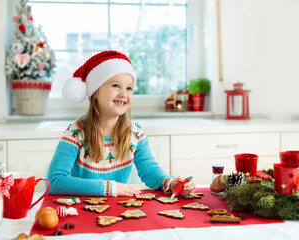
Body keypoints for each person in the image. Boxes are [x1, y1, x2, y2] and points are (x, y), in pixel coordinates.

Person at [46, 50, 195, 197]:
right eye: (116, 85)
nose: (124, 93)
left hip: (117, 211)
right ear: (95, 92)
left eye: (129, 88)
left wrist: (169, 182)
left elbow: (149, 171)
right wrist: (108, 187)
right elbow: (54, 181)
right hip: (82, 211)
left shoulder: (135, 134)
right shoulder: (76, 133)